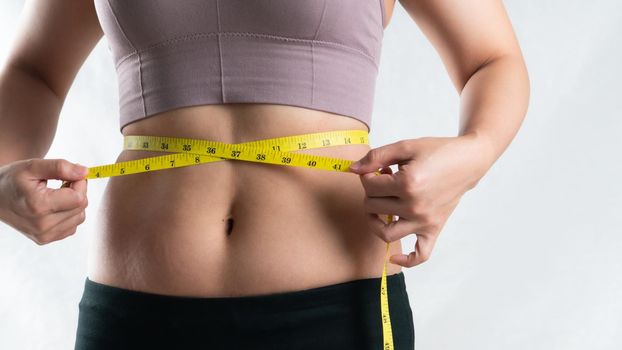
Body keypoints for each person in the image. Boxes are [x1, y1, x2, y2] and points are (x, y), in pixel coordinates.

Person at [0, 0, 529, 349]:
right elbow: (34, 71)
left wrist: (474, 155)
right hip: (134, 313)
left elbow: (491, 58)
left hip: (337, 307)